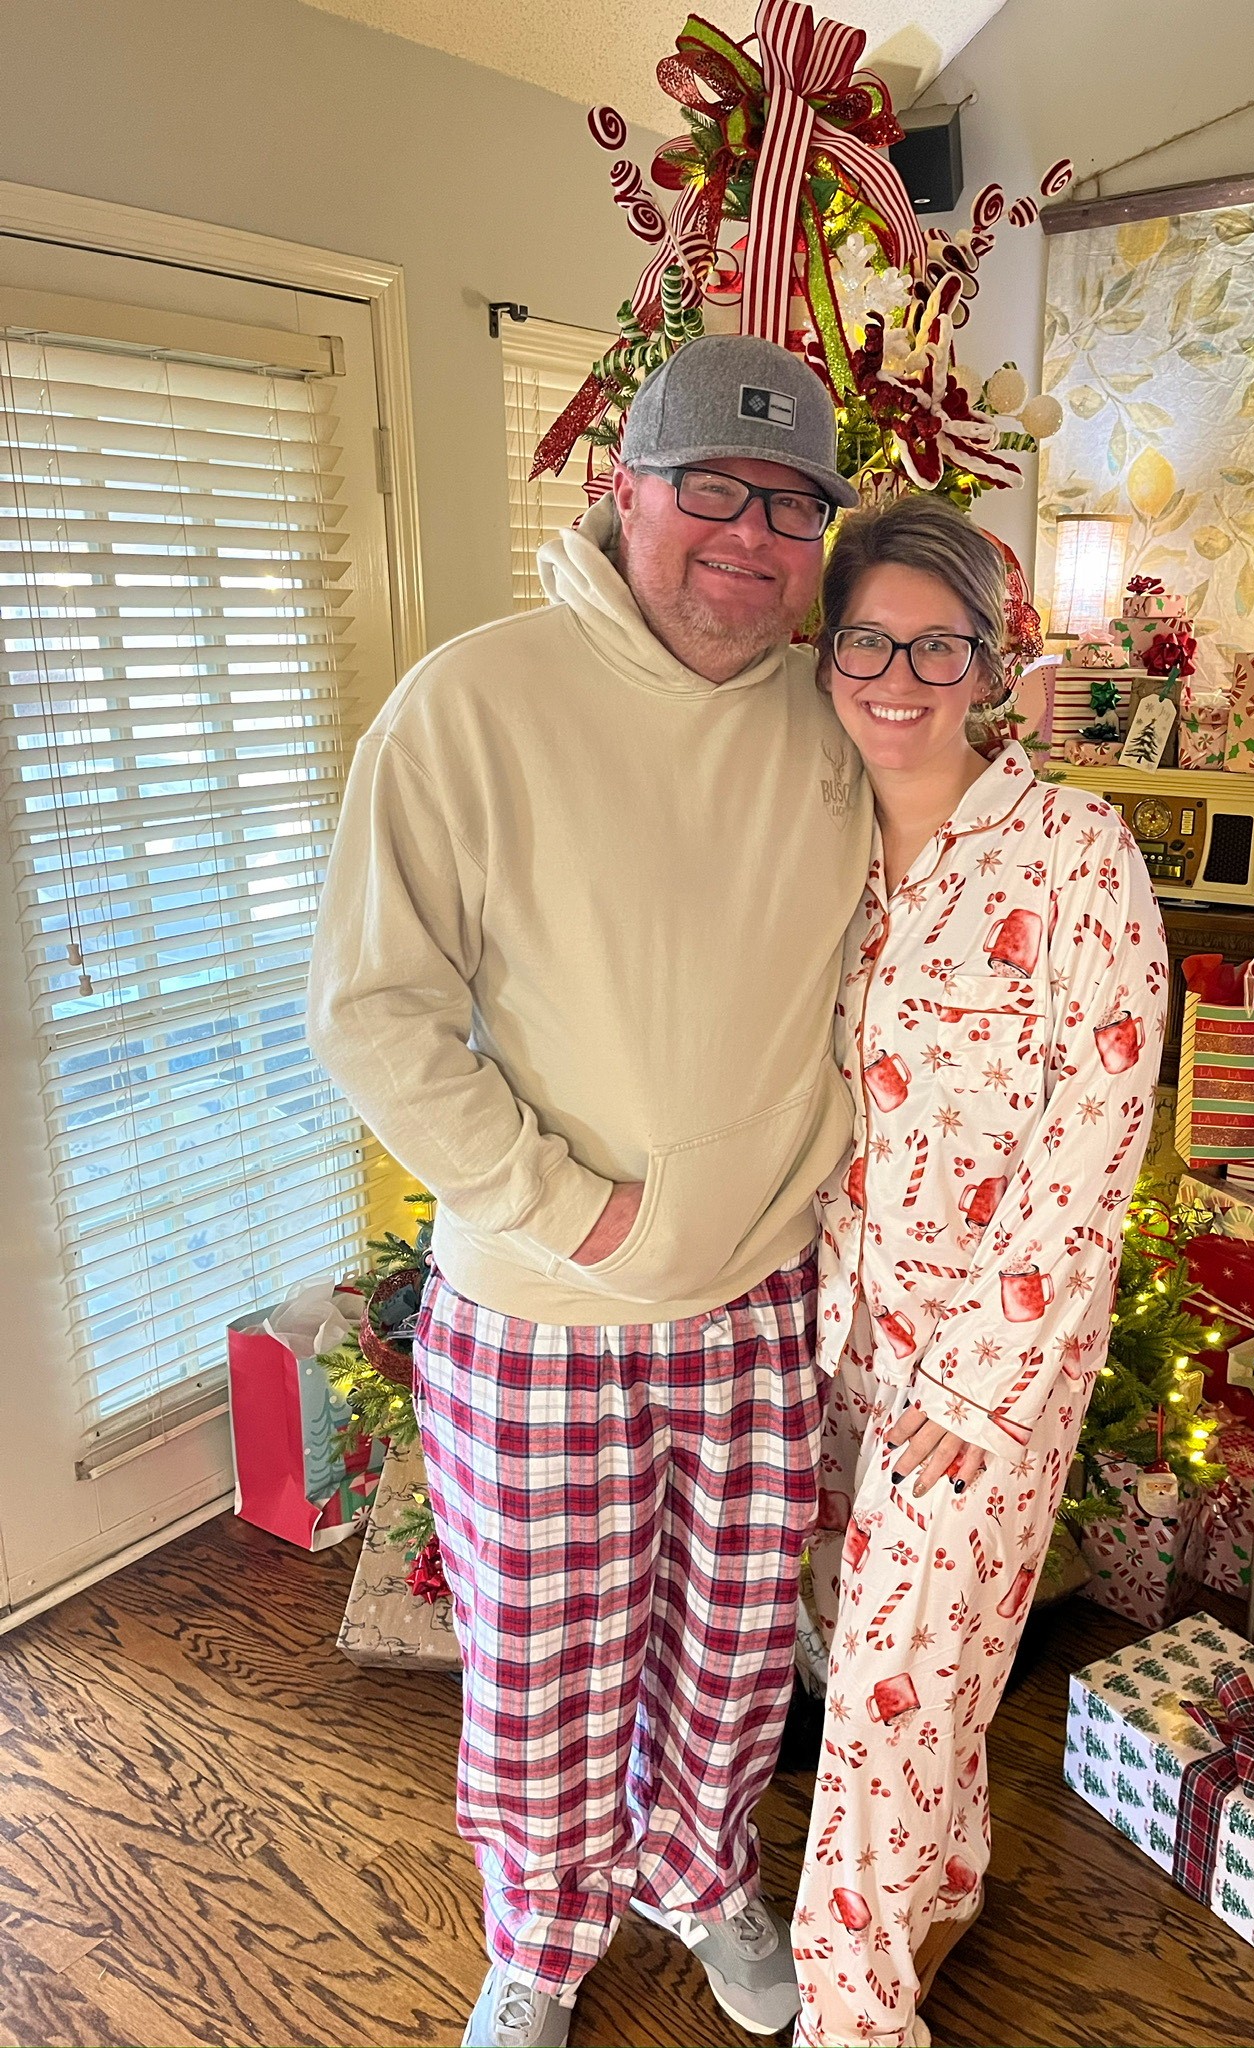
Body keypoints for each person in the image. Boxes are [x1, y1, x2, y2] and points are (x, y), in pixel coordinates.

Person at [307, 334, 874, 2048]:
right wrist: (578, 1212)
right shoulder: (471, 705)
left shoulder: (839, 716)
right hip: (545, 1308)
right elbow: (373, 1013)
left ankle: (704, 1880)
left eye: (792, 504)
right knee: (546, 1678)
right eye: (714, 489)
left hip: (758, 1299)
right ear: (622, 489)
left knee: (730, 1655)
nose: (752, 535)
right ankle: (542, 1946)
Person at [791, 498, 1166, 2047]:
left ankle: (853, 2014)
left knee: (891, 1679)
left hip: (984, 1372)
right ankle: (943, 1881)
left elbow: (1097, 1137)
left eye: (936, 647)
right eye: (867, 642)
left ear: (991, 664)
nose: (898, 678)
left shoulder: (1077, 856)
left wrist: (981, 1380)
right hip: (826, 1337)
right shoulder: (810, 844)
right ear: (826, 655)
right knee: (889, 1672)